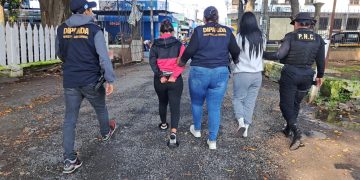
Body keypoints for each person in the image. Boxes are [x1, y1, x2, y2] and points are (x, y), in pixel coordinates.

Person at [56, 0, 117, 173]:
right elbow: (103, 58)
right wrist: (110, 79)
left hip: (70, 81)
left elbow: (60, 54)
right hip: (91, 81)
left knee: (70, 120)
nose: (91, 11)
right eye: (90, 8)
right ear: (86, 10)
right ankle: (105, 132)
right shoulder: (94, 30)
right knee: (101, 108)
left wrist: (74, 62)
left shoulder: (61, 29)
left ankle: (69, 160)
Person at [178, 6, 240, 150]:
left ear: (205, 19)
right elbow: (235, 51)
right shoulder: (227, 31)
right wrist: (235, 61)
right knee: (214, 107)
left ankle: (197, 130)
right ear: (217, 18)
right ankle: (212, 140)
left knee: (197, 102)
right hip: (220, 72)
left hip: (199, 72)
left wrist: (181, 62)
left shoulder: (199, 30)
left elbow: (190, 50)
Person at [263, 12, 325, 150]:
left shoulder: (291, 36)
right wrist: (320, 75)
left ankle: (296, 132)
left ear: (296, 24)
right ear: (310, 24)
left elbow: (279, 55)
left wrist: (260, 53)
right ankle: (288, 129)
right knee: (296, 103)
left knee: (285, 105)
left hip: (290, 74)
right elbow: (321, 60)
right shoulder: (318, 38)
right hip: (308, 75)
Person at [149, 20, 186, 148]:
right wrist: (174, 75)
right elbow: (182, 62)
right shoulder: (179, 44)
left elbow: (152, 62)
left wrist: (161, 76)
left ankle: (164, 124)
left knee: (162, 102)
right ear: (172, 31)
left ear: (161, 32)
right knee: (175, 106)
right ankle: (173, 134)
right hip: (175, 80)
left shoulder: (155, 45)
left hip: (160, 80)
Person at [232, 12, 266, 138]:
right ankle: (246, 127)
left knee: (238, 99)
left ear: (243, 23)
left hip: (242, 73)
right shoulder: (262, 37)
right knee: (250, 101)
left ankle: (241, 122)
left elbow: (235, 53)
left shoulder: (240, 37)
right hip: (257, 74)